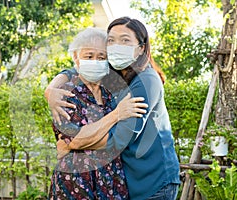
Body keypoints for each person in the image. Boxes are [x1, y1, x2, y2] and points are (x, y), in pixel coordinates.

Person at [45, 17, 181, 200]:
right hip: (128, 179)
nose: (117, 46)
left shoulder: (146, 81)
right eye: (111, 40)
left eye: (125, 40)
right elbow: (77, 67)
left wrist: (73, 144)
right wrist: (51, 89)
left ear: (141, 48)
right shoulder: (113, 74)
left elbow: (119, 138)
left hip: (153, 180)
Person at [48, 27, 147, 200]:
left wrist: (79, 142)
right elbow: (76, 140)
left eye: (101, 57)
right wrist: (116, 115)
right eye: (88, 56)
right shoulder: (65, 94)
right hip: (76, 182)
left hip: (111, 180)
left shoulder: (113, 92)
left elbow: (120, 136)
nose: (95, 61)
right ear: (76, 58)